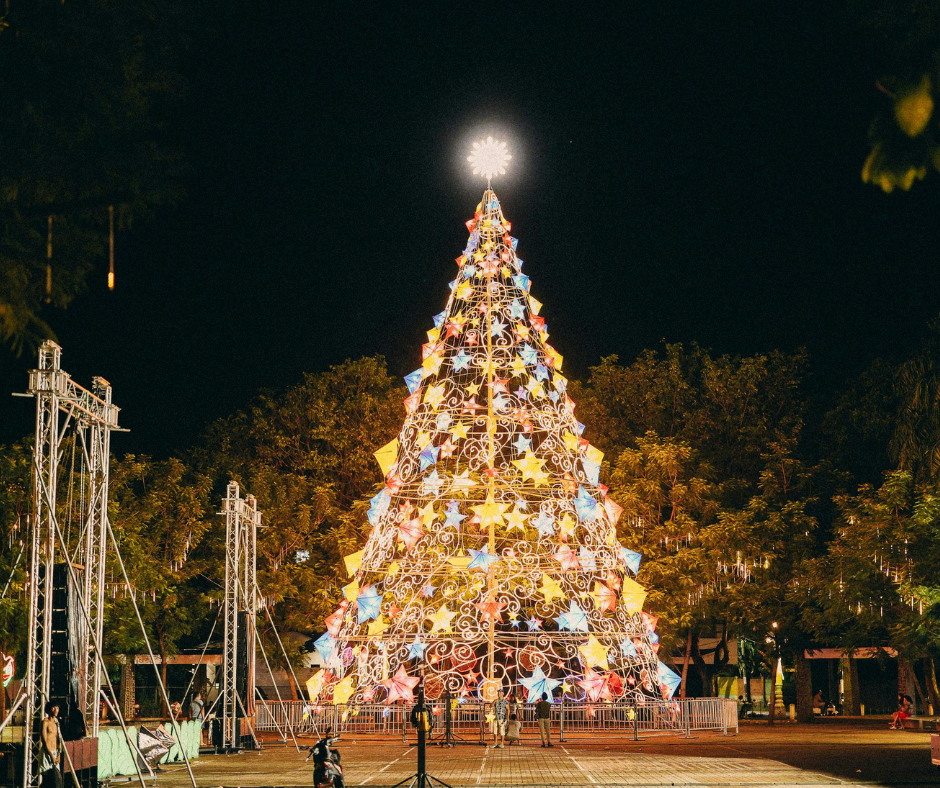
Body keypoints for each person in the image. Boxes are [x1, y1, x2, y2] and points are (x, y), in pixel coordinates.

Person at [40, 701, 62, 788]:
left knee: (57, 779)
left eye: (57, 708)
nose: (56, 710)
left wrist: (59, 754)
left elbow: (58, 739)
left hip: (55, 753)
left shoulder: (56, 723)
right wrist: (51, 755)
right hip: (47, 753)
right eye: (54, 708)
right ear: (49, 710)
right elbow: (44, 741)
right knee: (47, 778)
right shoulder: (45, 722)